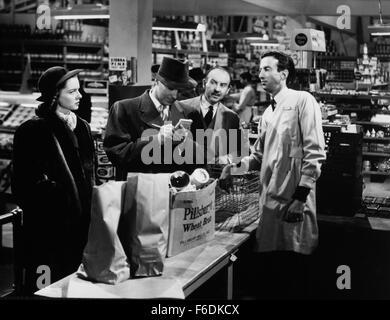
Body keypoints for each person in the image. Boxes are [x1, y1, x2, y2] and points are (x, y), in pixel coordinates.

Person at [221, 51, 326, 299]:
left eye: (267, 69)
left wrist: (300, 198)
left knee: (295, 274)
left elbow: (315, 152)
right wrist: (234, 167)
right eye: (260, 69)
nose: (260, 74)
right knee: (274, 275)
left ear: (284, 73)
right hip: (270, 205)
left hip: (294, 202)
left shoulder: (303, 101)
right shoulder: (268, 113)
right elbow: (258, 157)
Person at [12, 66, 96, 295]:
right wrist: (57, 197)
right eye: (72, 92)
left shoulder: (84, 128)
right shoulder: (32, 131)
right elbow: (21, 186)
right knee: (47, 289)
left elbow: (91, 175)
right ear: (54, 95)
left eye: (79, 90)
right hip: (47, 234)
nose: (79, 96)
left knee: (75, 288)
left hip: (82, 233)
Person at [104, 57, 200, 179]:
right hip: (140, 190)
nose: (175, 95)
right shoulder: (124, 109)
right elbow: (117, 155)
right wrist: (157, 140)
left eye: (179, 90)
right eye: (170, 88)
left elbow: (197, 160)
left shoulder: (189, 113)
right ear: (156, 81)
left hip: (176, 191)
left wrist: (189, 146)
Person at [179, 67, 244, 167]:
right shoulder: (180, 107)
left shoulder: (232, 117)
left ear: (228, 90)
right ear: (204, 83)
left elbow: (241, 151)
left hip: (215, 177)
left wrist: (228, 158)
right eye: (213, 83)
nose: (217, 89)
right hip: (184, 176)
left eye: (223, 85)